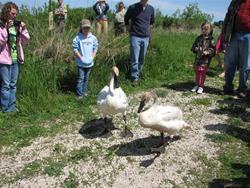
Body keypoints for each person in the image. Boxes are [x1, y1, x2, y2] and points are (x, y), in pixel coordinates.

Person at [0, 2, 30, 113]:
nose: (15, 15)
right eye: (13, 13)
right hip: (3, 60)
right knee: (6, 85)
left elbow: (25, 40)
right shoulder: (1, 26)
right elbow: (1, 42)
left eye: (16, 14)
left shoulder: (16, 27)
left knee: (13, 85)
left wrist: (23, 29)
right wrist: (6, 29)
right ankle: (5, 108)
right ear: (6, 13)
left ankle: (12, 107)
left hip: (15, 58)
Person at [220, 0, 250, 98]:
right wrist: (224, 36)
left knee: (245, 64)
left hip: (248, 35)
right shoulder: (235, 2)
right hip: (233, 34)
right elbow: (227, 17)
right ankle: (228, 88)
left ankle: (242, 89)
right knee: (229, 62)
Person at [124, 0, 154, 86]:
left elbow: (151, 22)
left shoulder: (151, 9)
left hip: (146, 37)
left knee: (142, 58)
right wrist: (128, 29)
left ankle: (138, 74)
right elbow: (126, 18)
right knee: (135, 59)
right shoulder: (133, 7)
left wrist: (149, 34)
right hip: (135, 36)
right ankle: (134, 78)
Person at [72, 19, 98, 99]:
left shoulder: (93, 38)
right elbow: (75, 49)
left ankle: (84, 92)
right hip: (81, 63)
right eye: (84, 28)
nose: (86, 30)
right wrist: (81, 57)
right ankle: (79, 95)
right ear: (81, 28)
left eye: (88, 28)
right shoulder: (77, 38)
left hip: (90, 63)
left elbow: (95, 47)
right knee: (81, 78)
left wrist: (92, 57)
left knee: (86, 78)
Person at [191, 21, 215, 94]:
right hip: (198, 58)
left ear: (210, 30)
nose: (204, 31)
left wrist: (207, 52)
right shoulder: (199, 38)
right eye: (203, 29)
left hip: (205, 60)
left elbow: (213, 49)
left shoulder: (211, 39)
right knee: (197, 72)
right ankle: (197, 84)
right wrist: (195, 48)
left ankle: (201, 86)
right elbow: (193, 46)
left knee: (202, 72)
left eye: (206, 29)